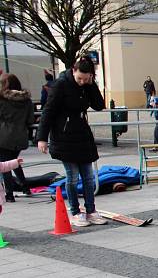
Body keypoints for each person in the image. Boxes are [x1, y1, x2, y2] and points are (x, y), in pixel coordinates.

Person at [36, 56, 107, 227]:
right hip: (64, 137)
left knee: (89, 177)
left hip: (82, 135)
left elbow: (99, 105)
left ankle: (91, 210)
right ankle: (75, 211)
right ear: (73, 71)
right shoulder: (61, 85)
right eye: (79, 78)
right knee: (73, 177)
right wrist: (41, 138)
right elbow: (48, 111)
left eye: (86, 78)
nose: (82, 82)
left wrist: (91, 85)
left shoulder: (87, 85)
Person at [0, 74, 34, 201]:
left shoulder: (2, 100)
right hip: (20, 136)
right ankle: (25, 187)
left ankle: (9, 194)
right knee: (14, 161)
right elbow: (30, 120)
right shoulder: (27, 101)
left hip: (3, 137)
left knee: (4, 164)